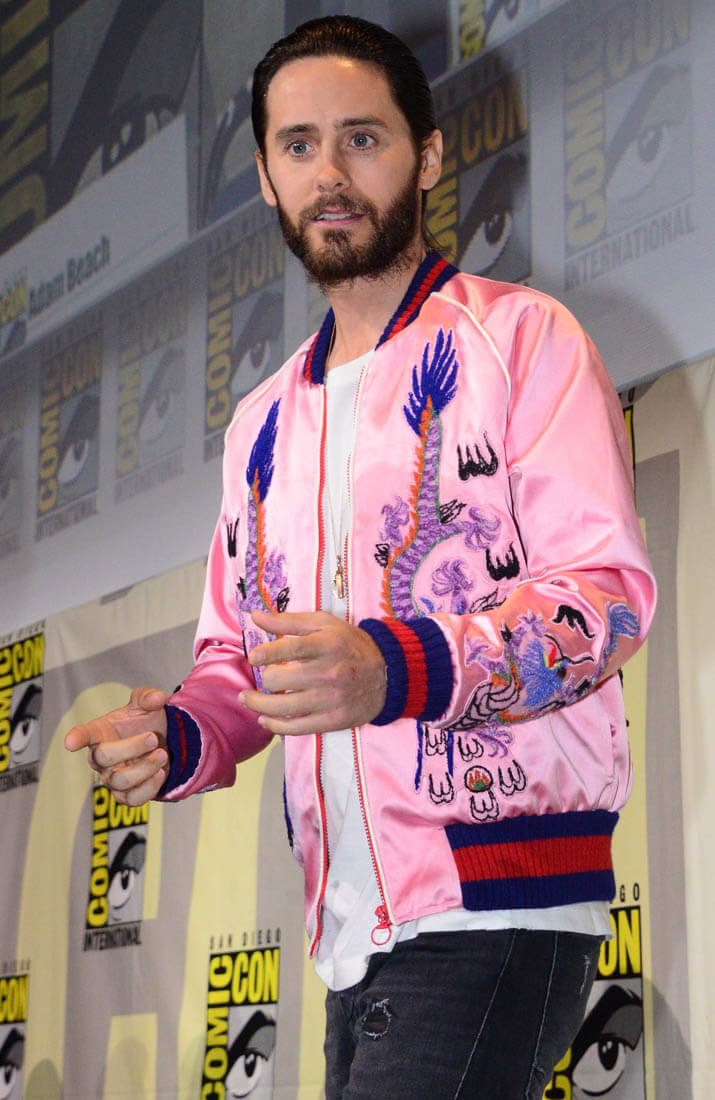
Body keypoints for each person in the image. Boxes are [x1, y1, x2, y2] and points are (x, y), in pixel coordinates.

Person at [65, 15, 657, 1098]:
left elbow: (603, 601)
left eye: (361, 138)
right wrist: (181, 733)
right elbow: (244, 662)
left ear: (426, 155)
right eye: (298, 146)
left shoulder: (524, 340)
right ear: (264, 177)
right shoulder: (260, 420)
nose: (329, 174)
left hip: (498, 904)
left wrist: (392, 667)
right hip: (347, 924)